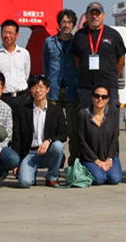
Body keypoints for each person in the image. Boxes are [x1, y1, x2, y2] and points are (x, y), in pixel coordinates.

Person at [11, 75, 67, 188]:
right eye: (34, 87)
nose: (38, 91)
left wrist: (49, 140)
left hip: (48, 152)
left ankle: (52, 177)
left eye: (41, 87)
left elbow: (63, 134)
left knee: (58, 146)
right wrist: (16, 163)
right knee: (24, 183)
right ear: (30, 90)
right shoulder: (22, 110)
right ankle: (31, 173)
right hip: (30, 153)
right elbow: (16, 138)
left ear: (48, 89)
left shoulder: (56, 110)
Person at [43, 9, 80, 165]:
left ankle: (73, 163)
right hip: (53, 91)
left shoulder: (77, 42)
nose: (66, 25)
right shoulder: (49, 42)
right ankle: (56, 162)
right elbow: (46, 65)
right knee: (53, 129)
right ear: (59, 24)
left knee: (73, 130)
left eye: (69, 22)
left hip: (72, 90)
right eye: (64, 22)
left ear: (73, 24)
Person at [73, 2, 126, 110]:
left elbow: (121, 59)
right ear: (86, 16)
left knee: (110, 117)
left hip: (109, 86)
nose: (94, 16)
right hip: (86, 86)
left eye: (97, 14)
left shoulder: (113, 34)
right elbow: (76, 59)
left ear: (103, 16)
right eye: (91, 14)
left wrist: (113, 74)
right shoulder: (79, 36)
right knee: (85, 117)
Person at [76, 84, 122, 185]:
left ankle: (105, 170)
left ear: (108, 99)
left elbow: (115, 136)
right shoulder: (83, 114)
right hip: (90, 157)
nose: (100, 99)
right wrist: (96, 160)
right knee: (99, 179)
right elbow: (81, 140)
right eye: (97, 96)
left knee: (115, 179)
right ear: (92, 97)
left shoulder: (113, 112)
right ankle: (89, 169)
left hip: (109, 155)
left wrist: (109, 158)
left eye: (104, 97)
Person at [0, 20, 31, 111]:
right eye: (4, 32)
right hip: (1, 98)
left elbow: (26, 75)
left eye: (10, 33)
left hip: (22, 98)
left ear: (17, 35)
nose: (7, 35)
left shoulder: (24, 53)